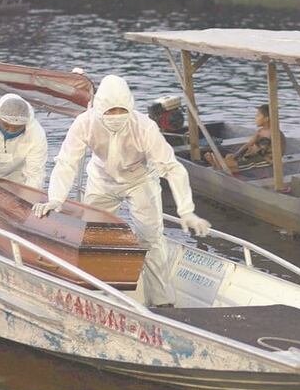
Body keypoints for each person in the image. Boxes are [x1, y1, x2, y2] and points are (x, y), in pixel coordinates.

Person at [32, 75, 211, 307]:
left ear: (131, 106)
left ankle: (162, 300)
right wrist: (56, 198)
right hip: (101, 181)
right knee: (94, 237)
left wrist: (186, 210)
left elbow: (171, 168)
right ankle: (98, 291)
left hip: (140, 180)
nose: (116, 117)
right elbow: (67, 162)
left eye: (121, 111)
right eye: (110, 111)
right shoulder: (85, 123)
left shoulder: (145, 127)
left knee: (151, 238)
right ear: (99, 108)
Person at [204, 104, 281, 174]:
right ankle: (219, 164)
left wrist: (254, 151)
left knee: (239, 164)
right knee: (232, 158)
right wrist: (236, 154)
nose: (255, 118)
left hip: (265, 160)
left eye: (257, 116)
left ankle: (219, 164)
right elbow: (248, 144)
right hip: (254, 156)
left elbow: (270, 153)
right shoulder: (260, 132)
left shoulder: (274, 133)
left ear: (266, 119)